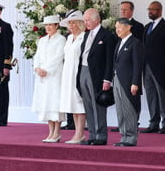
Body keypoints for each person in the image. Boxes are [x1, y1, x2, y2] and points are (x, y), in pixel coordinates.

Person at [78, 8, 116, 145]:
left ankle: (101, 136)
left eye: (87, 20)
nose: (85, 23)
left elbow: (109, 60)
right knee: (88, 104)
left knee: (98, 105)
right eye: (84, 20)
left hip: (97, 75)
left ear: (96, 19)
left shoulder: (107, 35)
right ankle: (92, 135)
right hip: (83, 71)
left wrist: (107, 79)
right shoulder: (86, 35)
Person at [140, 1, 165, 134]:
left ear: (160, 11)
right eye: (149, 9)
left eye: (153, 9)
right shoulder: (147, 27)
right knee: (151, 95)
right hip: (147, 67)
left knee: (163, 95)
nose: (150, 12)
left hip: (161, 67)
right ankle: (153, 123)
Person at [31, 14, 66, 142]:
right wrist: (37, 68)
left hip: (54, 75)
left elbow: (59, 56)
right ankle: (50, 132)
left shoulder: (61, 39)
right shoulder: (42, 40)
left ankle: (57, 132)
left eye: (51, 25)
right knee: (46, 103)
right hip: (42, 76)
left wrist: (47, 69)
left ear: (57, 25)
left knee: (54, 102)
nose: (48, 27)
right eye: (46, 25)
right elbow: (37, 56)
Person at [112, 18, 143, 146]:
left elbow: (138, 64)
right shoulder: (119, 42)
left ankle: (131, 137)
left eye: (119, 27)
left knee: (129, 109)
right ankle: (124, 135)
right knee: (120, 109)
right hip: (117, 79)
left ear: (128, 27)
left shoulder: (135, 43)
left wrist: (135, 82)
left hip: (129, 81)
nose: (117, 30)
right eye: (116, 27)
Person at [59, 9, 87, 143]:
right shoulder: (69, 38)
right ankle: (77, 132)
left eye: (73, 23)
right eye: (69, 23)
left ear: (79, 24)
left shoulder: (84, 37)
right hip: (68, 73)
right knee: (72, 104)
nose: (70, 26)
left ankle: (80, 133)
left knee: (79, 104)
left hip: (78, 72)